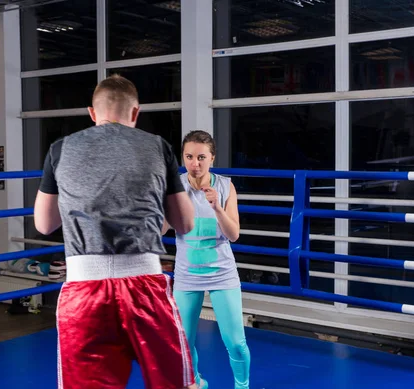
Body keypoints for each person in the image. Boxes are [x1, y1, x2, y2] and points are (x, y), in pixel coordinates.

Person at [33, 74, 198, 389]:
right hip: (145, 285)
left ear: (92, 113)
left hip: (83, 289)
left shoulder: (60, 148)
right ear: (135, 113)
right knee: (174, 384)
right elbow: (185, 224)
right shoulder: (157, 145)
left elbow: (44, 224)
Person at [163, 130, 251, 389]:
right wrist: (163, 204)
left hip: (222, 272)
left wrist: (217, 208)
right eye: (189, 156)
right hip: (187, 274)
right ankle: (196, 381)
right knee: (183, 342)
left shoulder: (225, 186)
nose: (195, 163)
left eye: (201, 157)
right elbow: (161, 230)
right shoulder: (175, 187)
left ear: (212, 158)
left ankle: (242, 386)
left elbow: (234, 235)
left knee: (235, 341)